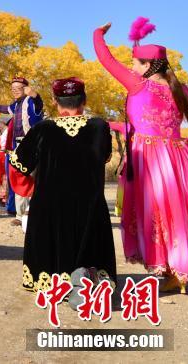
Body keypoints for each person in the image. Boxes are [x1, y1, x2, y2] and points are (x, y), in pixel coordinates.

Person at [94, 18, 188, 294]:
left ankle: (178, 272)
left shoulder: (138, 84)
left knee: (158, 213)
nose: (132, 67)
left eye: (135, 63)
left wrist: (98, 33)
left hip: (149, 161)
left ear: (147, 66)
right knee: (184, 213)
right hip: (178, 159)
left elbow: (105, 58)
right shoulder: (181, 89)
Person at [12, 78, 116, 298]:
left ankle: (53, 282)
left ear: (54, 100)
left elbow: (20, 164)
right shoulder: (99, 127)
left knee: (48, 229)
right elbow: (105, 156)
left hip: (50, 205)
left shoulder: (43, 129)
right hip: (89, 205)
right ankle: (90, 281)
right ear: (84, 100)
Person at [0, 76, 44, 224]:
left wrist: (35, 95)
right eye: (13, 89)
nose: (15, 91)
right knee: (19, 178)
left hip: (32, 145)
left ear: (26, 89)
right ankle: (20, 215)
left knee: (33, 178)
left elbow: (39, 105)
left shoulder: (31, 102)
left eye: (18, 88)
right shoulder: (16, 105)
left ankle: (34, 213)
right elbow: (6, 108)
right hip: (18, 146)